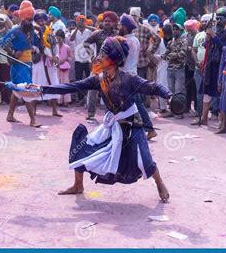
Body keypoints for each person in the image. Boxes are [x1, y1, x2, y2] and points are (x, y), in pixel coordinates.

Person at [25, 37, 172, 202]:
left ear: (112, 59)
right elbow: (71, 87)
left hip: (133, 125)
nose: (98, 57)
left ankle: (159, 183)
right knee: (81, 146)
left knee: (144, 160)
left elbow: (154, 87)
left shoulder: (129, 79)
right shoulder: (99, 79)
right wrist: (41, 89)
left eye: (103, 53)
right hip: (112, 124)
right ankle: (78, 185)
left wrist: (170, 96)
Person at [0, 0, 42, 127]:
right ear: (22, 18)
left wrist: (33, 48)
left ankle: (10, 115)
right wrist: (12, 52)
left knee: (17, 90)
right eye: (28, 20)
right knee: (26, 90)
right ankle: (33, 120)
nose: (30, 22)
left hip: (28, 63)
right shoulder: (15, 31)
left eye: (31, 19)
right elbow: (2, 43)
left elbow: (31, 44)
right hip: (18, 65)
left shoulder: (31, 31)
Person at [83, 11, 118, 120]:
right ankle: (91, 113)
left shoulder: (117, 35)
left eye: (109, 21)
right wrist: (92, 56)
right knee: (92, 89)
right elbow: (86, 43)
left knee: (110, 90)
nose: (107, 23)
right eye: (105, 21)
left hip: (111, 66)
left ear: (114, 23)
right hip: (98, 65)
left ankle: (110, 113)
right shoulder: (97, 34)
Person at [32, 11, 62, 117]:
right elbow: (33, 47)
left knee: (53, 83)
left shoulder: (50, 32)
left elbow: (55, 46)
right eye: (39, 20)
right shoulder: (33, 33)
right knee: (37, 84)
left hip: (50, 63)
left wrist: (56, 57)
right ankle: (33, 110)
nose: (41, 22)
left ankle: (54, 110)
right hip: (39, 62)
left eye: (43, 20)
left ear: (46, 20)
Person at [162, 21, 188, 119]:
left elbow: (182, 54)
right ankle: (171, 111)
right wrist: (163, 56)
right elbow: (166, 53)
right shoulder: (170, 42)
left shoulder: (184, 41)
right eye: (174, 29)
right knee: (170, 91)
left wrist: (172, 56)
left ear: (181, 31)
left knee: (179, 91)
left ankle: (179, 112)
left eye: (177, 29)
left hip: (179, 69)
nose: (175, 31)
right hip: (170, 69)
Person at [69, 14, 94, 104]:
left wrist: (86, 26)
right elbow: (71, 39)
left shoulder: (88, 31)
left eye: (82, 20)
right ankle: (80, 98)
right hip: (78, 59)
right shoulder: (74, 32)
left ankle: (88, 98)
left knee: (88, 78)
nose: (81, 22)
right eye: (79, 21)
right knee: (78, 79)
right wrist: (77, 28)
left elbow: (97, 31)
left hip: (88, 58)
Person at [0, 14, 12, 104]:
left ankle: (5, 99)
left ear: (5, 21)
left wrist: (9, 59)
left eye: (2, 20)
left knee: (5, 80)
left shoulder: (9, 32)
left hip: (5, 60)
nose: (0, 21)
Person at [184, 19, 199, 115]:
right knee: (187, 86)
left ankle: (197, 108)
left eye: (191, 30)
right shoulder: (184, 36)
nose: (189, 32)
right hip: (187, 64)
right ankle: (187, 106)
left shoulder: (199, 36)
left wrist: (190, 49)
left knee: (196, 87)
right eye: (188, 30)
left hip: (197, 65)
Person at [56, 29, 73, 106]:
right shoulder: (54, 47)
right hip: (56, 67)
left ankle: (66, 101)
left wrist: (65, 59)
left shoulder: (67, 47)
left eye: (60, 38)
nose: (58, 40)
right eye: (57, 38)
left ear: (63, 39)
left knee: (65, 83)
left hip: (65, 68)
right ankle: (58, 101)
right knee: (58, 83)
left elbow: (71, 57)